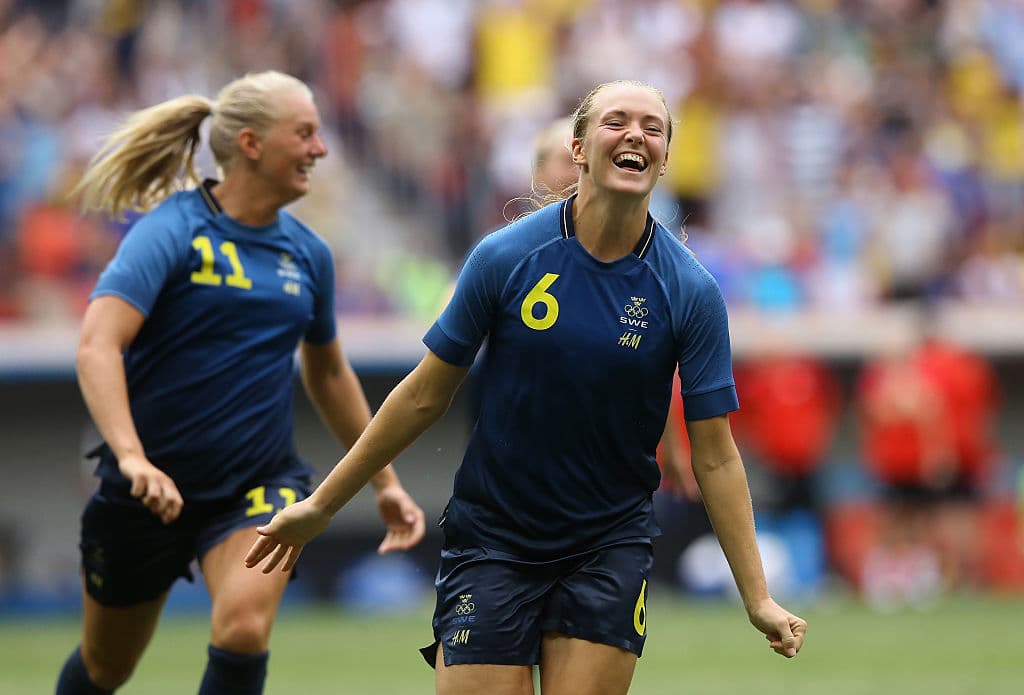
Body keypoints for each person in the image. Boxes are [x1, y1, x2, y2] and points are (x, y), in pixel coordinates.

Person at [247, 80, 807, 695]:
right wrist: (322, 505)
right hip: (493, 539)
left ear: (666, 157)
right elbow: (422, 395)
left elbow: (717, 453)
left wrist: (758, 597)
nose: (635, 135)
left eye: (652, 127)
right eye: (616, 121)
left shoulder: (690, 290)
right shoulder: (505, 257)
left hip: (609, 545)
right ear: (578, 148)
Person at [55, 70, 426, 695]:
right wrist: (130, 457)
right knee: (104, 666)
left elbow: (328, 370)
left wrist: (384, 482)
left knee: (244, 630)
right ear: (251, 144)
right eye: (304, 133)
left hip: (256, 484)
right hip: (149, 488)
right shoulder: (172, 231)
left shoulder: (309, 253)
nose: (321, 149)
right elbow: (97, 343)